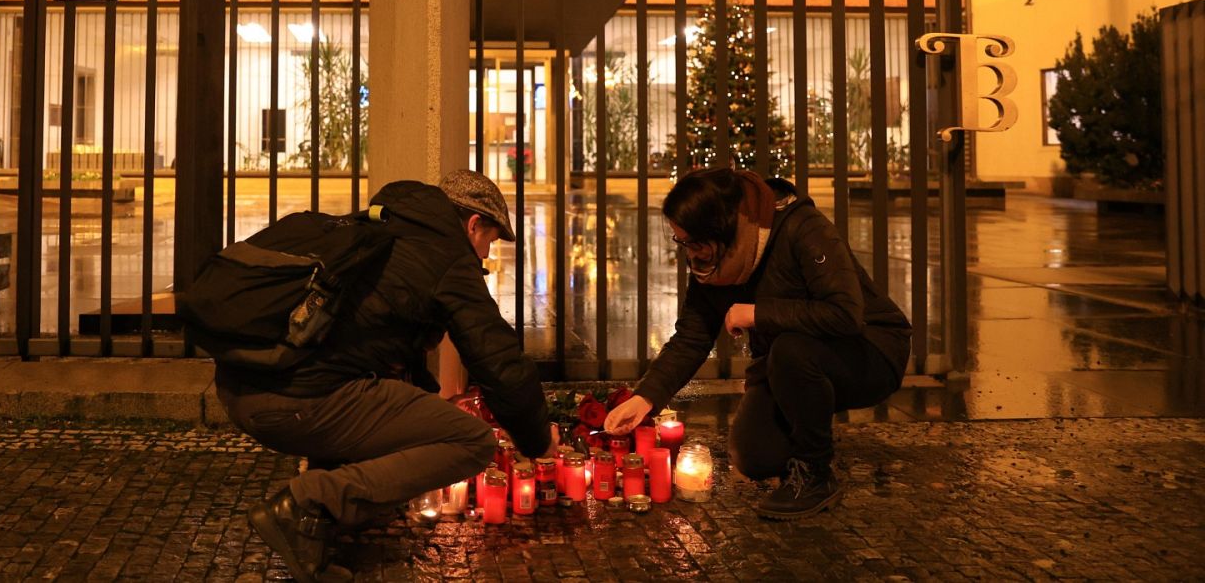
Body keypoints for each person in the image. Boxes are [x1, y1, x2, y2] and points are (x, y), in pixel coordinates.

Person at [214, 169, 555, 582]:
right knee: (470, 441)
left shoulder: (385, 227)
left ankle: (316, 534)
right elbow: (499, 361)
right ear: (473, 225)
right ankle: (303, 505)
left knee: (376, 392)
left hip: (244, 387)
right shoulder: (446, 256)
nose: (484, 255)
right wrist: (537, 440)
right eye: (489, 242)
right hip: (292, 401)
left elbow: (385, 360)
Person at [604, 167, 910, 520]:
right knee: (755, 456)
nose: (689, 254)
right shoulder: (714, 259)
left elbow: (845, 314)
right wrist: (646, 398)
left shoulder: (802, 228)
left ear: (723, 228)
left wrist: (758, 314)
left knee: (792, 351)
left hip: (870, 350)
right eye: (681, 242)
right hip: (791, 362)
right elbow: (692, 335)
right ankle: (810, 416)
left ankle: (815, 474)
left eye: (693, 242)